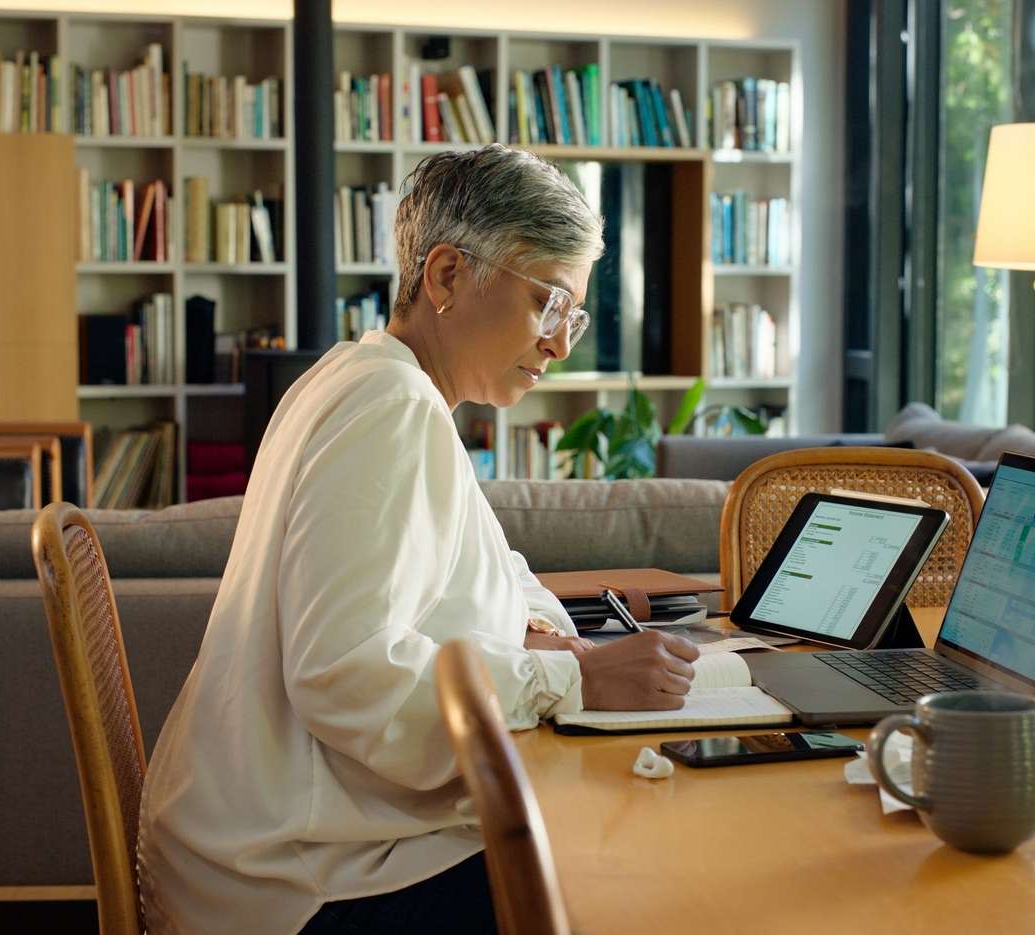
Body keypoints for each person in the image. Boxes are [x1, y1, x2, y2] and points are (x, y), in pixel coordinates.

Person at [138, 145, 701, 934]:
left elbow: (496, 561)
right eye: (548, 303)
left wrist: (542, 634)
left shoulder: (374, 378)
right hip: (293, 878)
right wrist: (572, 682)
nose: (560, 342)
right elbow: (343, 670)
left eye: (571, 315)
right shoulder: (392, 408)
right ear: (444, 277)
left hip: (270, 843)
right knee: (631, 875)